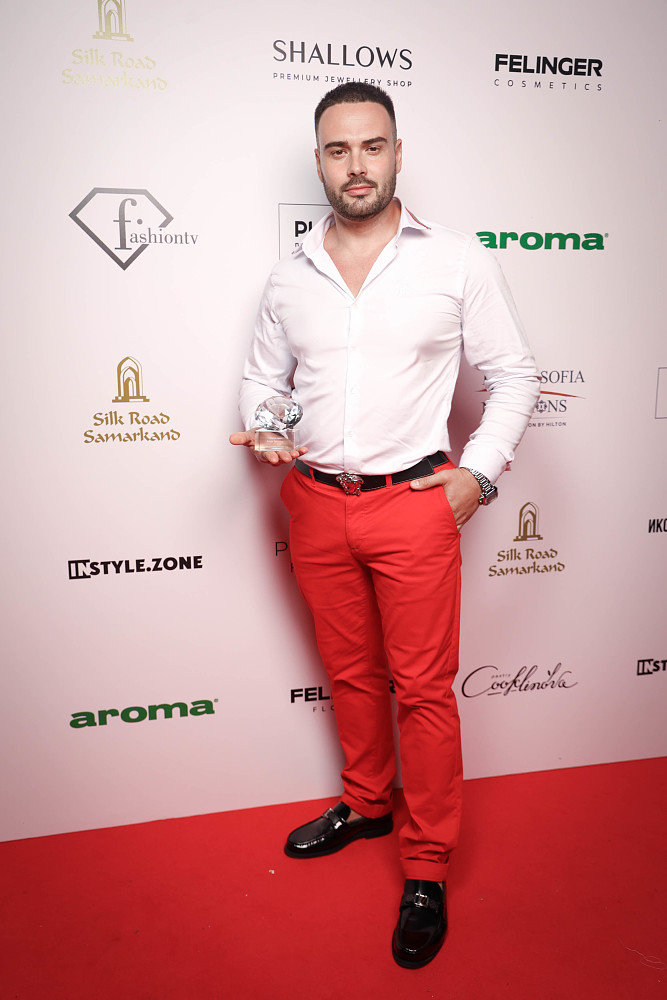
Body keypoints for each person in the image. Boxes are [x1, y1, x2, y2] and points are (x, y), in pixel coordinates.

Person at [230, 82, 540, 969]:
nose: (356, 165)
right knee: (350, 671)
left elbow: (514, 375)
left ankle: (427, 864)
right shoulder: (289, 274)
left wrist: (477, 475)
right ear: (319, 162)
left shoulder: (457, 259)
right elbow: (265, 380)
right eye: (338, 150)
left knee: (423, 691)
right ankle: (367, 804)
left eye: (371, 147)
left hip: (414, 504)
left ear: (397, 154)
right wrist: (270, 427)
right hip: (315, 501)